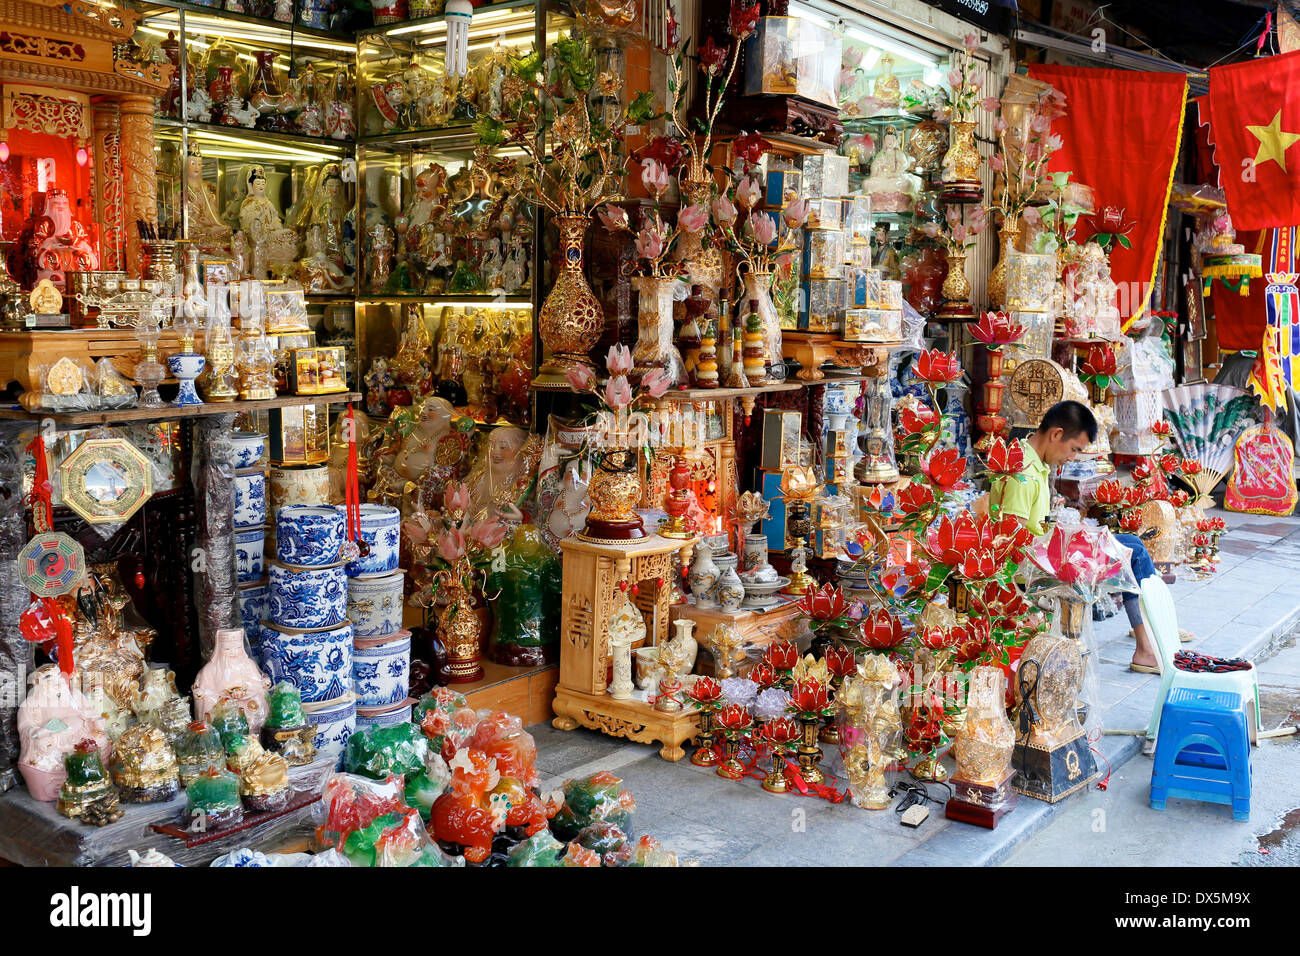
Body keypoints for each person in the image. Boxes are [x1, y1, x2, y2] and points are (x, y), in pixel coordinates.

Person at [989, 400, 1162, 674]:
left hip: (1047, 552)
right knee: (1134, 553)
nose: (1071, 458)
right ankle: (1146, 646)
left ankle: (1149, 636)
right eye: (1074, 450)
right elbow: (1012, 538)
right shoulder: (1022, 470)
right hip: (1033, 567)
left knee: (1131, 546)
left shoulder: (1032, 461)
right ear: (1056, 434)